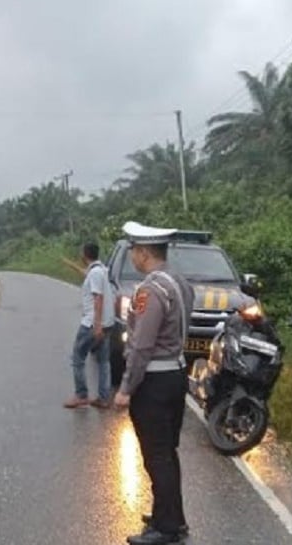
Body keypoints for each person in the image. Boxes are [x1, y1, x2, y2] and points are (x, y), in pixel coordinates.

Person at [113, 222, 195, 545]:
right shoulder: (179, 283)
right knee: (167, 451)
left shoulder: (149, 291)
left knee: (156, 455)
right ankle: (171, 515)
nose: (133, 254)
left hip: (154, 382)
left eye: (134, 249)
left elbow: (141, 345)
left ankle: (166, 529)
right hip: (176, 374)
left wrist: (125, 388)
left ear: (144, 253)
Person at [63, 241, 115, 409]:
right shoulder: (101, 270)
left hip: (92, 324)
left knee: (77, 358)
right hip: (107, 323)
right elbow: (86, 273)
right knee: (103, 361)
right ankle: (103, 397)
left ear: (84, 254)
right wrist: (71, 265)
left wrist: (96, 325)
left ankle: (81, 395)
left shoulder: (95, 274)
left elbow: (98, 298)